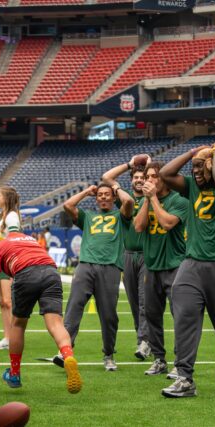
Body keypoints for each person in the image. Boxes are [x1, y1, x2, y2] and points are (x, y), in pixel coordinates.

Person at [159, 141, 215, 398]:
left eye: (199, 167)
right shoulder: (191, 188)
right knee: (184, 318)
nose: (195, 172)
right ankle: (184, 377)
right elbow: (165, 174)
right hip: (192, 263)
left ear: (210, 165)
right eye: (193, 167)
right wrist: (193, 154)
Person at [0, 232, 82, 394]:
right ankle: (68, 356)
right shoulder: (27, 238)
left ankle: (14, 373)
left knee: (18, 325)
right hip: (51, 271)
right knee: (56, 323)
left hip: (26, 272)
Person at [61, 183, 133, 371]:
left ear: (113, 197)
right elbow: (68, 206)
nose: (102, 197)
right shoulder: (88, 217)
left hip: (110, 268)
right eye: (99, 195)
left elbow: (129, 201)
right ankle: (66, 351)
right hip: (85, 265)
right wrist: (86, 192)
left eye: (106, 195)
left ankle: (108, 354)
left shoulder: (120, 216)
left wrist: (115, 189)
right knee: (73, 307)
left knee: (109, 315)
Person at [133, 162, 188, 378]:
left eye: (154, 176)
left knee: (180, 316)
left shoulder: (179, 201)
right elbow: (138, 226)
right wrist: (148, 199)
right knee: (152, 316)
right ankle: (159, 359)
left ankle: (180, 362)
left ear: (164, 179)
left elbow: (166, 223)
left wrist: (153, 198)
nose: (149, 180)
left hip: (175, 265)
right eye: (147, 176)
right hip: (152, 266)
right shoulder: (146, 200)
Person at [102, 155, 152, 361]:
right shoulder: (125, 199)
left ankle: (145, 341)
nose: (139, 180)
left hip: (147, 255)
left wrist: (148, 166)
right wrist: (130, 165)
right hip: (128, 255)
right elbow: (107, 177)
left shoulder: (152, 195)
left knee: (144, 302)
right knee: (134, 302)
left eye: (143, 177)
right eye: (136, 177)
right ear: (131, 180)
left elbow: (158, 176)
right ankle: (142, 339)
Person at [0, 186, 23, 350]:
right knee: (2, 302)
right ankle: (6, 336)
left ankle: (11, 337)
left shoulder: (11, 217)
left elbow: (14, 239)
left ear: (7, 199)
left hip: (7, 262)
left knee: (7, 301)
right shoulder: (1, 216)